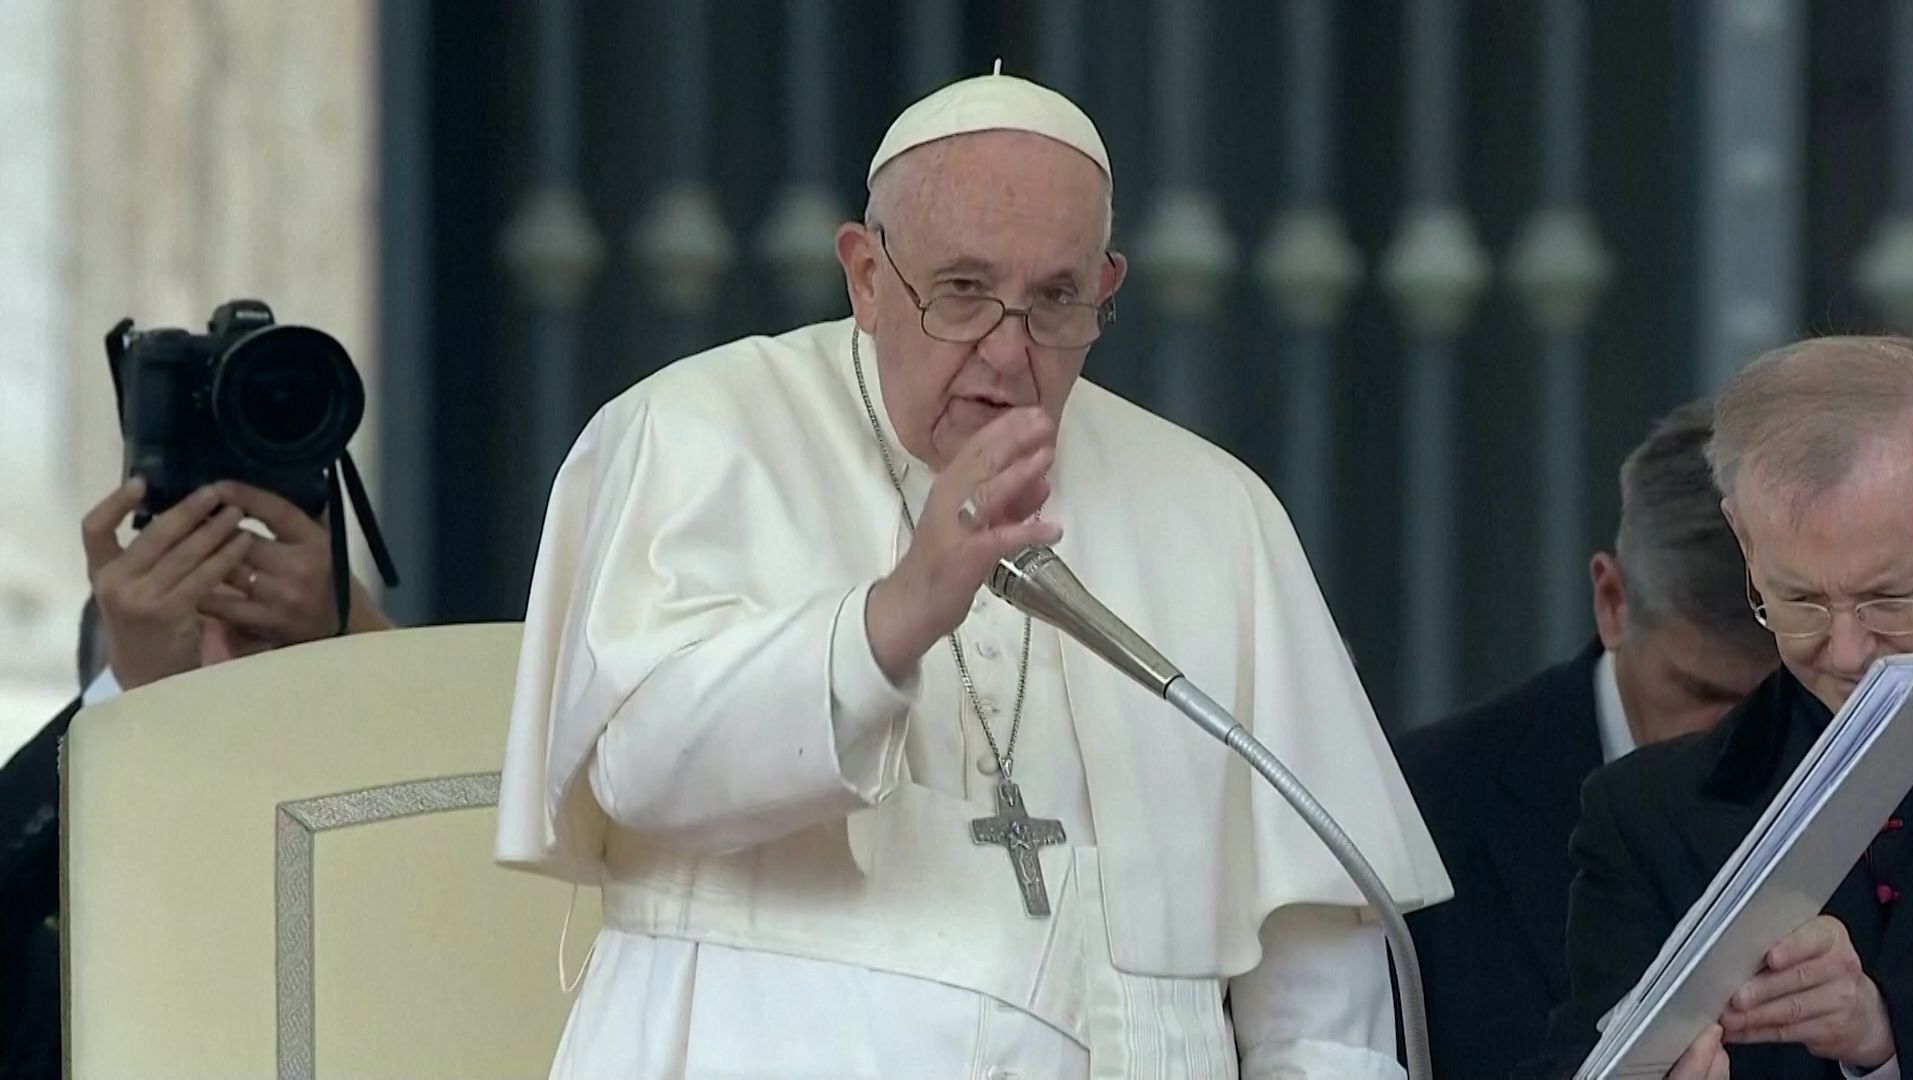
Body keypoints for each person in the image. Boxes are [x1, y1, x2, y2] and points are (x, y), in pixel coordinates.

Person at [496, 68, 1450, 1077]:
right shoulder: (695, 433)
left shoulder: (1218, 513)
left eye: (1054, 302)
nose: (1008, 351)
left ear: (1107, 289)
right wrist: (888, 624)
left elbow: (1319, 990)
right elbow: (639, 764)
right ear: (865, 275)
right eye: (962, 292)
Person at [1539, 336, 1913, 1079]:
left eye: (1888, 599)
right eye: (1800, 601)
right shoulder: (1646, 814)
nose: (1844, 651)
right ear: (1745, 542)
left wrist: (1886, 1036)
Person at [1394, 399, 1777, 1077]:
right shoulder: (1423, 808)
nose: (1741, 740)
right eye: (1701, 693)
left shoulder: (1867, 779)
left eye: (1773, 700)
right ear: (1612, 602)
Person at [0, 477, 393, 1079]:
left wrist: (360, 644)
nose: (213, 673)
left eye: (250, 642)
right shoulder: (52, 963)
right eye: (181, 645)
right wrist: (127, 704)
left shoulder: (369, 895)